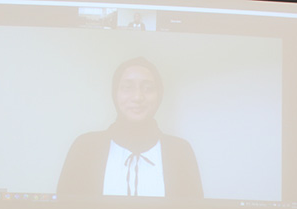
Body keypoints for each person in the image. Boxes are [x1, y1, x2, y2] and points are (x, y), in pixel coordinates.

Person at [57, 57, 203, 199]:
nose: (138, 97)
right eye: (127, 88)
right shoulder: (85, 147)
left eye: (148, 89)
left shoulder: (180, 152)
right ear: (115, 94)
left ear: (159, 95)